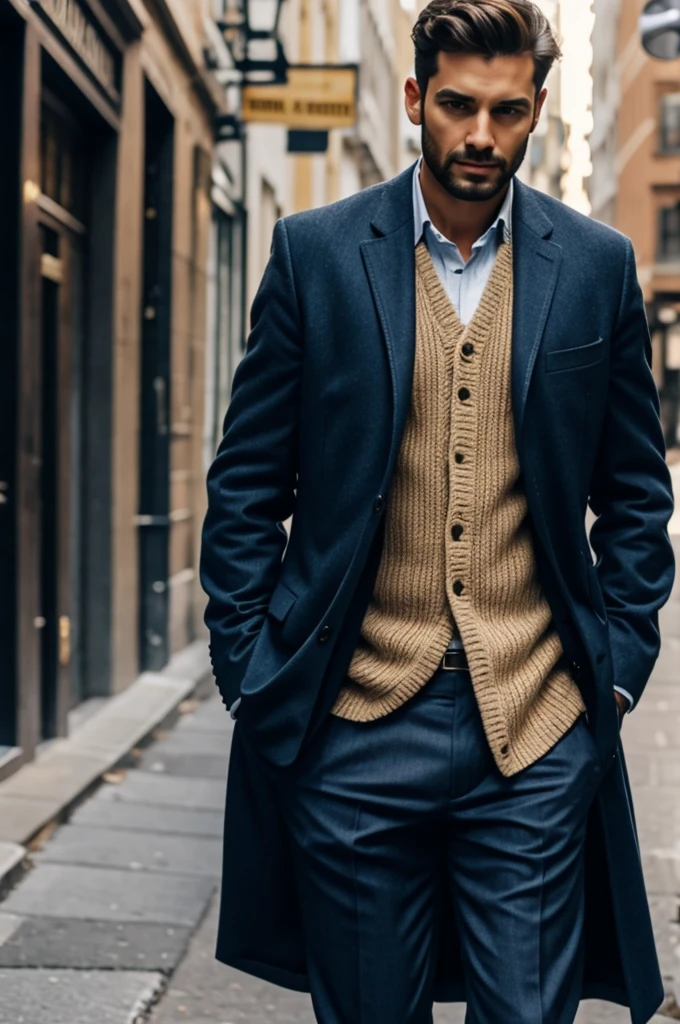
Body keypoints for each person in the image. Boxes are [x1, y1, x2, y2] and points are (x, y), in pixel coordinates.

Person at [200, 1, 676, 1021]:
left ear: (536, 111)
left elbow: (633, 496)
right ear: (415, 97)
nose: (477, 135)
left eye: (505, 112)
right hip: (353, 727)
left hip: (533, 733)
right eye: (456, 105)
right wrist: (251, 671)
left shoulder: (592, 268)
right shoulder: (315, 252)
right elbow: (246, 484)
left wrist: (621, 674)